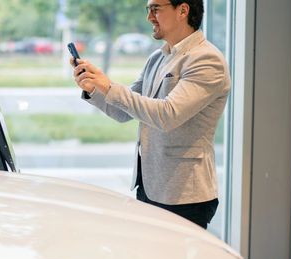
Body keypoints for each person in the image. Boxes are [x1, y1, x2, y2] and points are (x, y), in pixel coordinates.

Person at [71, 0, 230, 229]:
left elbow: (167, 115)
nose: (149, 17)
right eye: (148, 9)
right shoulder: (157, 58)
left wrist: (109, 87)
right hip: (149, 186)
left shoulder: (206, 59)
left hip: (184, 195)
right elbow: (122, 111)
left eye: (155, 8)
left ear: (183, 10)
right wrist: (93, 87)